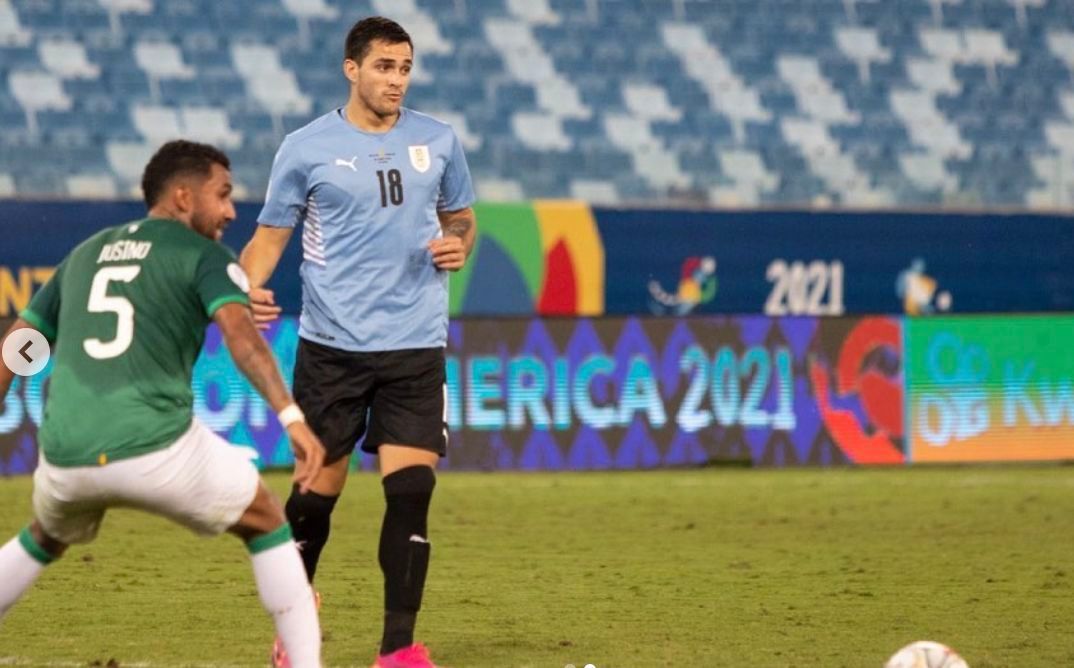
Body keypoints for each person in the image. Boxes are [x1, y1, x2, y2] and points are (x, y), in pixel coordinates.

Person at [0, 140, 327, 667]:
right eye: (221, 195)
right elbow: (242, 340)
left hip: (64, 455)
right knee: (266, 518)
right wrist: (291, 417)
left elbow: (23, 344)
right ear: (181, 196)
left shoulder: (85, 254)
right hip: (155, 447)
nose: (229, 211)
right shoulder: (202, 257)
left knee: (45, 535)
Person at [239, 16, 477, 668]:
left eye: (404, 68)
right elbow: (268, 239)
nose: (396, 80)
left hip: (416, 347)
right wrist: (240, 291)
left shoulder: (440, 140)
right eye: (383, 67)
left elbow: (461, 217)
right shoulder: (307, 147)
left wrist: (460, 242)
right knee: (316, 499)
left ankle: (399, 649)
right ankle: (294, 629)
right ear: (352, 68)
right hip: (332, 348)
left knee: (411, 493)